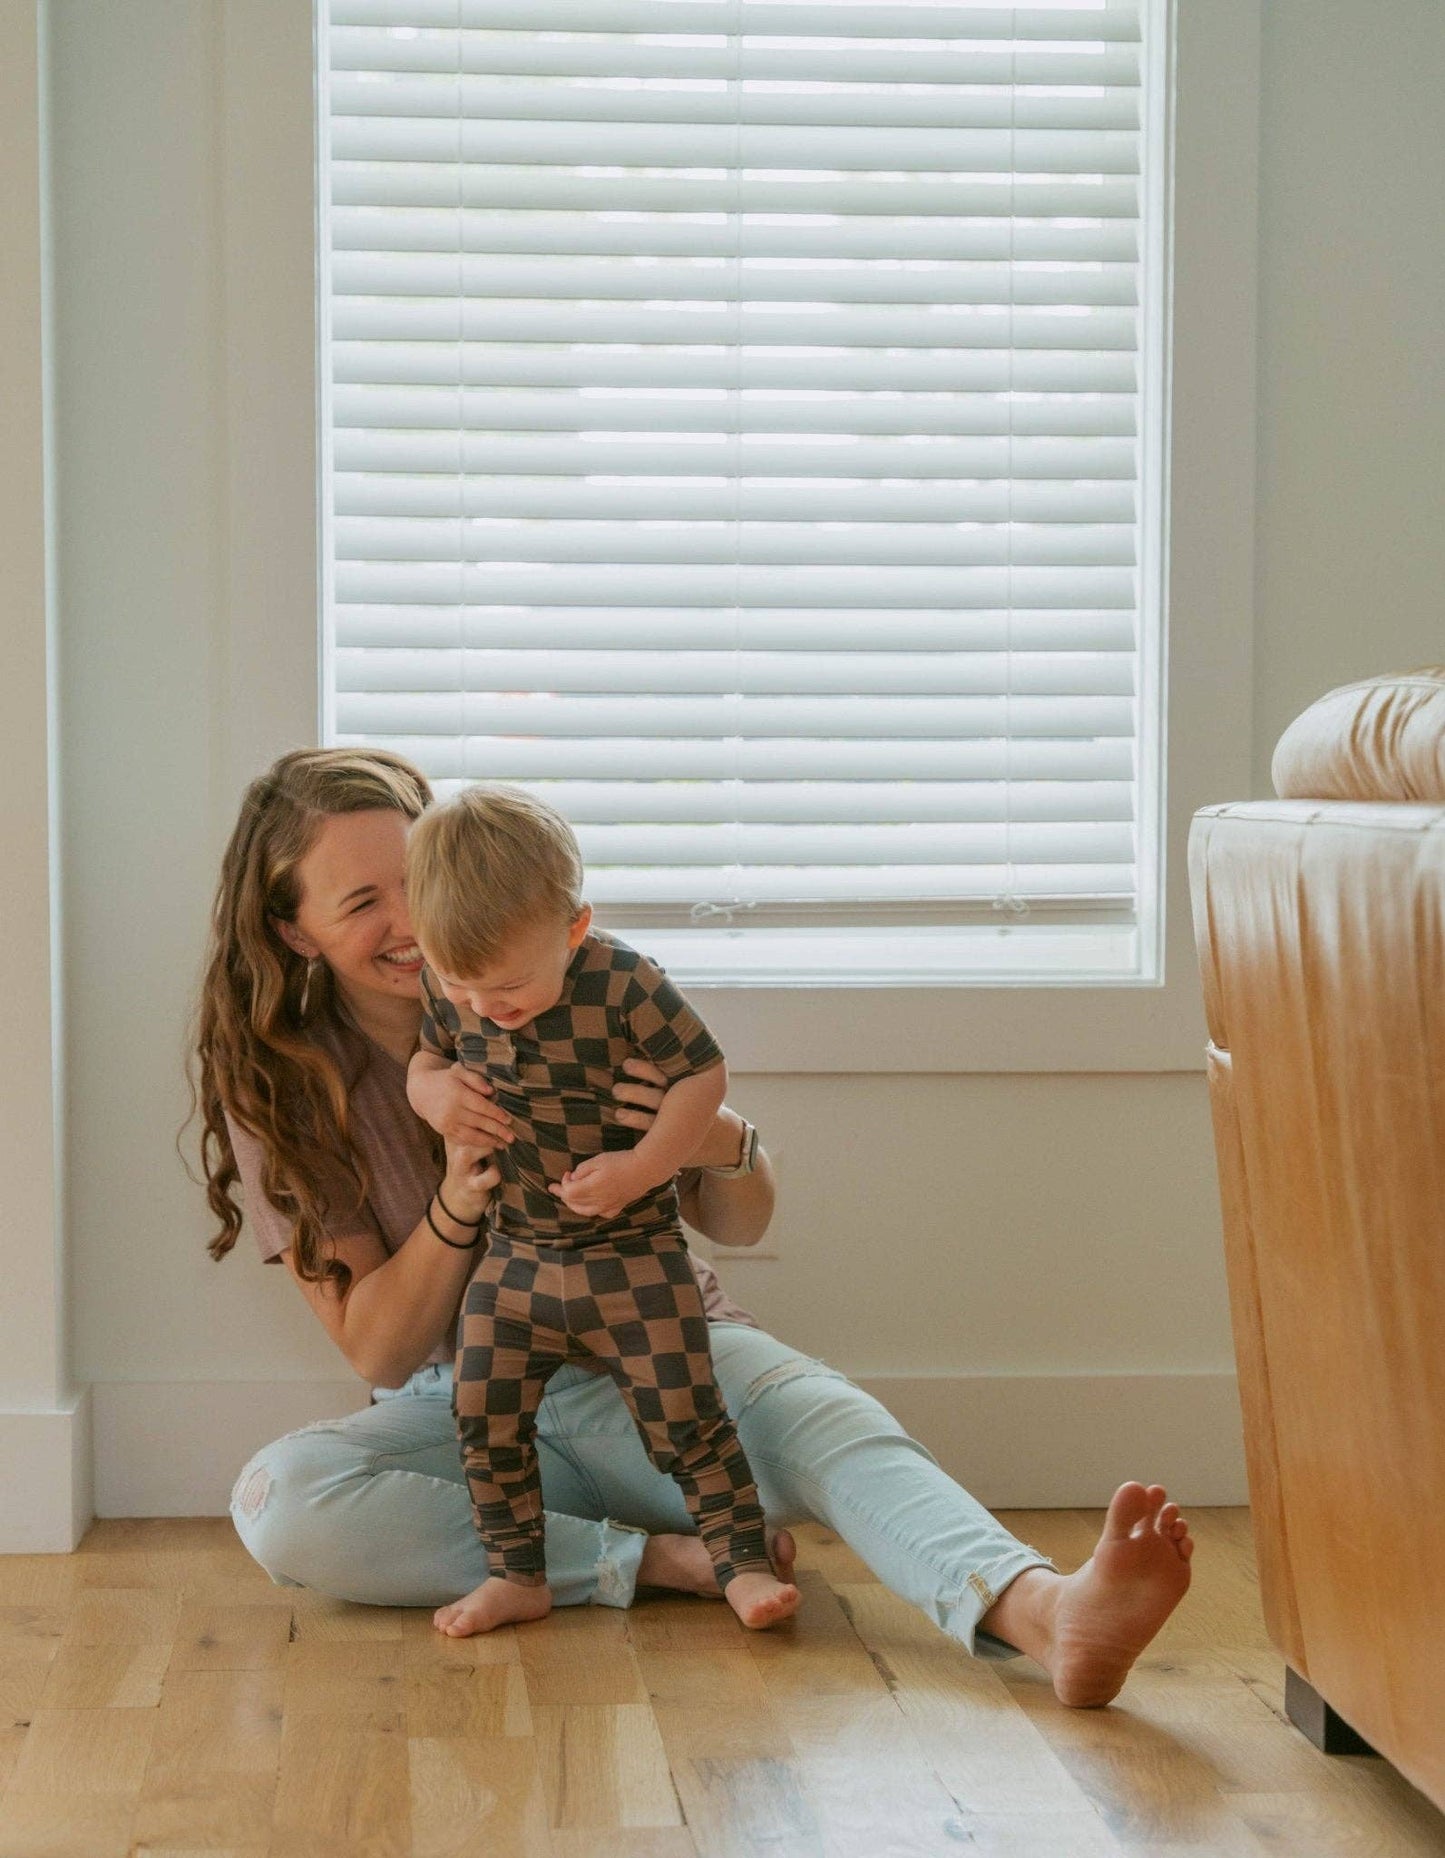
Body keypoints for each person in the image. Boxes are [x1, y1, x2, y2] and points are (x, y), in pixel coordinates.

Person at [195, 747, 1193, 1709]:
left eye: (417, 877)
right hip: (477, 1419)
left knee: (816, 1412)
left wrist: (708, 1138)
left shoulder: (575, 981)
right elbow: (377, 1343)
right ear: (295, 933)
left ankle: (1043, 1612)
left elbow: (743, 1221)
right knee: (279, 1497)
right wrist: (461, 1185)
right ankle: (646, 1560)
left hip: (660, 1374)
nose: (412, 921)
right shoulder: (284, 1088)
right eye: (362, 901)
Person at [404, 784, 796, 1631]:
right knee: (482, 1415)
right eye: (460, 985)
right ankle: (519, 1573)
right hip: (515, 1256)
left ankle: (739, 1560)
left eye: (507, 985)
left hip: (633, 1252)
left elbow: (704, 1074)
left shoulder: (624, 982)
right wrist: (433, 1093)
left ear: (573, 928)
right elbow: (425, 1060)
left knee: (687, 1416)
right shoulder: (452, 987)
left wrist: (643, 1165)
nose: (483, 1007)